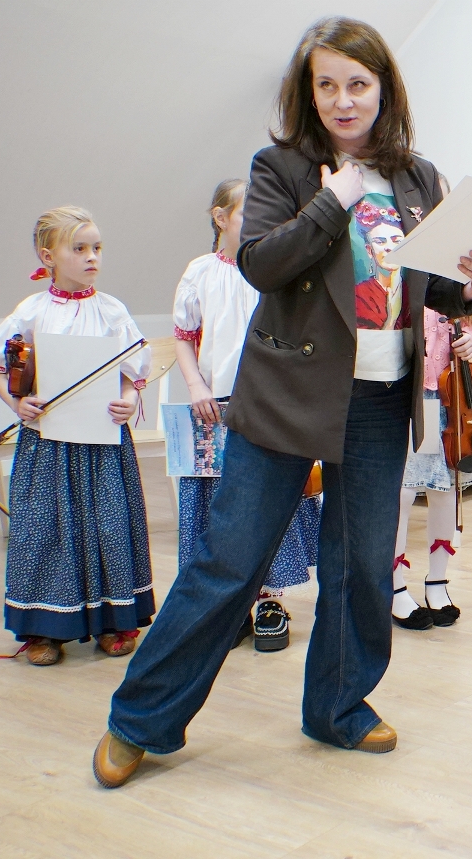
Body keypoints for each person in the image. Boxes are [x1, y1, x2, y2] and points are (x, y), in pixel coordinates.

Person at [95, 16, 472, 787]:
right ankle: (139, 720)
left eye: (358, 84)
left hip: (382, 397)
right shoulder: (282, 167)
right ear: (307, 92)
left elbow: (432, 288)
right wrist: (332, 201)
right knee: (229, 561)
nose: (344, 100)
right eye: (327, 85)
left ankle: (338, 709)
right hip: (289, 391)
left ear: (384, 89)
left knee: (361, 566)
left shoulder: (419, 178)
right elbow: (260, 264)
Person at [0, 206, 153, 666]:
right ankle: (46, 627)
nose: (92, 256)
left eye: (96, 247)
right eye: (79, 248)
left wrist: (128, 400)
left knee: (109, 527)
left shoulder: (112, 311)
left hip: (103, 445)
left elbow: (133, 372)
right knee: (46, 529)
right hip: (48, 445)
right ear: (48, 256)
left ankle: (115, 619)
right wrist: (17, 404)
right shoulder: (31, 311)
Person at [172, 178, 317, 652]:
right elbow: (184, 336)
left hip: (269, 404)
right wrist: (196, 386)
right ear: (220, 218)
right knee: (223, 507)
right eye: (247, 212)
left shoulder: (275, 271)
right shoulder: (200, 272)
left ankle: (271, 599)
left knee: (271, 501)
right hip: (216, 406)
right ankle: (227, 605)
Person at [392, 307, 472, 629]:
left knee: (443, 490)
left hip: (448, 395)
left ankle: (437, 581)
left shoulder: (457, 283)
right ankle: (394, 585)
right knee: (403, 493)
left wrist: (471, 339)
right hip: (408, 395)